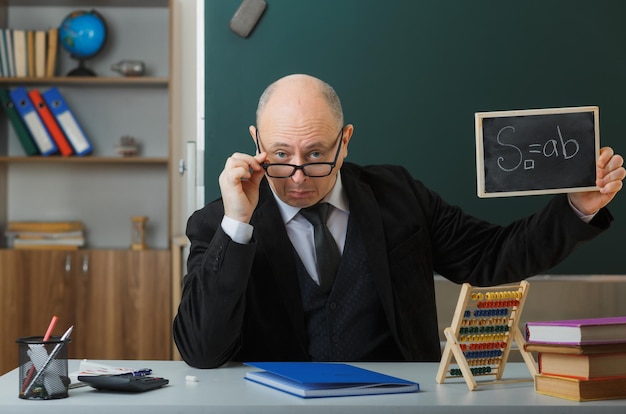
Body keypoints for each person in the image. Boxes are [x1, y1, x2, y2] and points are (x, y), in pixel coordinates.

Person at [173, 74, 625, 369]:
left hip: (400, 403)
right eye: (279, 155)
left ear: (344, 141)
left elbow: (492, 256)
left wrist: (577, 207)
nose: (296, 177)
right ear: (256, 141)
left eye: (315, 156)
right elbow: (200, 350)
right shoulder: (218, 224)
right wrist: (237, 224)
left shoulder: (399, 195)